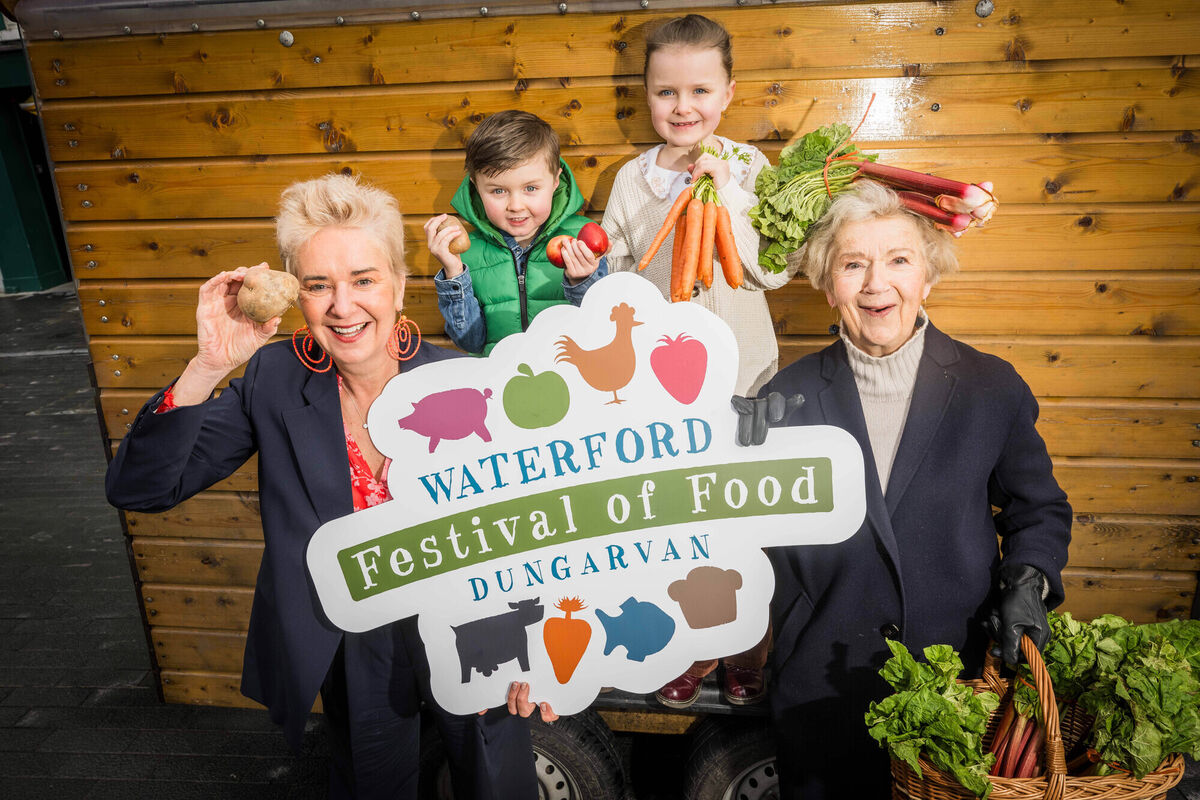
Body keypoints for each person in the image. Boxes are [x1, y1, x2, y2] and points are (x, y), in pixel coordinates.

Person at [105, 173, 543, 799]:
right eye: (318, 285)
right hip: (355, 635)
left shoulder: (465, 380)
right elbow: (141, 490)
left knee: (495, 781)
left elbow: (531, 525)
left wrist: (542, 650)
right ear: (297, 295)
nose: (342, 306)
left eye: (364, 280)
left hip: (472, 621)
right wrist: (207, 367)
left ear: (399, 284)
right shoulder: (274, 379)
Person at [757, 179, 1072, 799]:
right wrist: (732, 452)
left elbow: (1038, 509)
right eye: (853, 264)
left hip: (952, 689)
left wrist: (1029, 577)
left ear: (927, 276)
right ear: (827, 285)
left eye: (899, 260)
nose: (876, 283)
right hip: (820, 690)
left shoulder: (991, 387)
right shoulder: (783, 397)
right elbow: (746, 535)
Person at [600, 11, 797, 711]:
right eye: (666, 92)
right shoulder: (631, 180)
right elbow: (614, 275)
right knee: (679, 524)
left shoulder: (751, 168)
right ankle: (690, 647)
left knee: (744, 524)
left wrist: (730, 194)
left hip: (747, 382)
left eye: (699, 91)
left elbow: (774, 269)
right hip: (664, 389)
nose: (683, 107)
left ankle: (746, 651)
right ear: (647, 95)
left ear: (728, 93)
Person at [427, 109, 608, 355]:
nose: (515, 205)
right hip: (499, 377)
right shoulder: (468, 255)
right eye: (498, 191)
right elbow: (469, 341)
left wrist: (581, 281)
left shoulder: (581, 242)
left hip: (566, 373)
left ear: (556, 180)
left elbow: (600, 326)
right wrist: (454, 273)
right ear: (476, 186)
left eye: (530, 188)